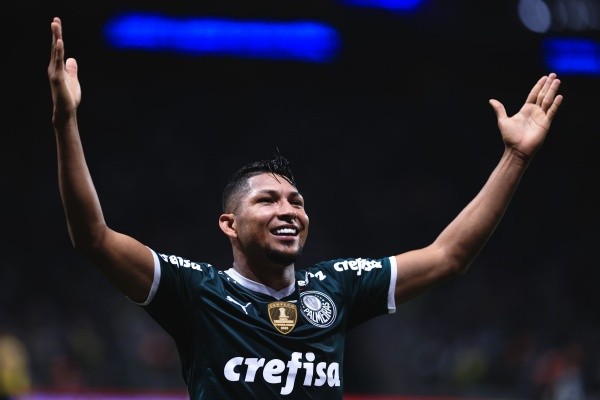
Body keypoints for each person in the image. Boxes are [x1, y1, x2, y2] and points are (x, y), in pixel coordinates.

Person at [48, 15, 563, 399]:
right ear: (229, 224)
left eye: (296, 201)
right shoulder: (197, 293)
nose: (288, 209)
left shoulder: (337, 287)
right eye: (267, 200)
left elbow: (449, 256)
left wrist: (515, 158)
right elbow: (93, 238)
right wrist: (65, 121)